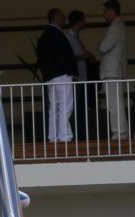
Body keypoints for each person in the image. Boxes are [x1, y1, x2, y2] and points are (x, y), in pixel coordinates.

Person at [37, 8, 78, 142]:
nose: (64, 18)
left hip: (50, 77)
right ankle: (64, 136)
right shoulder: (57, 34)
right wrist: (70, 70)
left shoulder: (44, 36)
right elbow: (64, 55)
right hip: (62, 75)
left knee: (54, 107)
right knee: (65, 105)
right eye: (62, 16)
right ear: (56, 18)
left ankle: (53, 136)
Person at [99, 0, 128, 140]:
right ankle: (119, 132)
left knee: (114, 103)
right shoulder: (118, 26)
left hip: (112, 71)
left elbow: (103, 47)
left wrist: (99, 45)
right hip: (114, 71)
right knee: (114, 103)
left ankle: (119, 132)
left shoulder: (115, 27)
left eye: (105, 11)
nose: (103, 14)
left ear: (111, 10)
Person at [66, 10, 95, 139]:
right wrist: (85, 55)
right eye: (83, 20)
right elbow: (71, 57)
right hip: (76, 79)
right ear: (78, 22)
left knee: (81, 109)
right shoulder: (69, 38)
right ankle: (75, 136)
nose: (85, 23)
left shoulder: (76, 37)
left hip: (82, 79)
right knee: (75, 109)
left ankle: (81, 136)